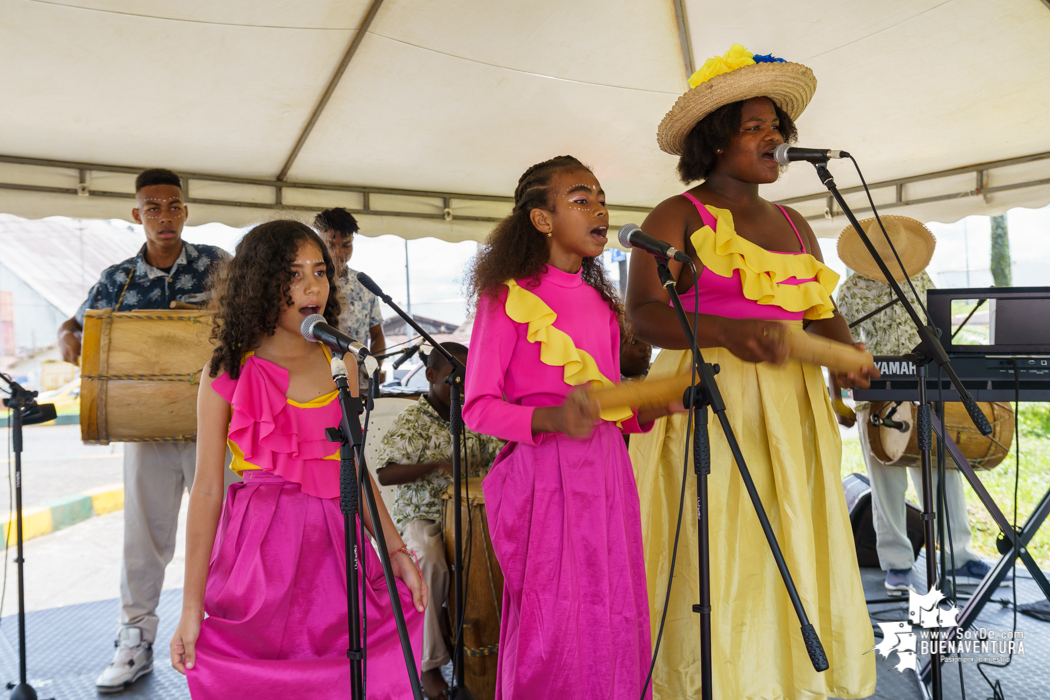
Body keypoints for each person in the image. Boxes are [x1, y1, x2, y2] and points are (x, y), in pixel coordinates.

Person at [625, 45, 877, 699]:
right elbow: (643, 318)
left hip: (792, 409)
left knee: (787, 535)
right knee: (721, 552)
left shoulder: (796, 225)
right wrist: (731, 332)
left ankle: (784, 679)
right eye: (753, 128)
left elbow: (820, 312)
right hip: (708, 398)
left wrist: (847, 357)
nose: (773, 138)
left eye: (776, 128)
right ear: (714, 143)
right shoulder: (677, 216)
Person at [169, 220, 425, 698]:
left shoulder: (342, 361)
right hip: (260, 554)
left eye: (319, 271)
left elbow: (354, 469)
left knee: (360, 662)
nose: (312, 286)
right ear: (262, 284)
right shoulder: (228, 369)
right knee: (263, 671)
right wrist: (189, 608)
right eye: (293, 274)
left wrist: (395, 551)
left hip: (337, 541)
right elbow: (206, 489)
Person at [463, 155, 683, 699]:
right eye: (581, 199)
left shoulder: (603, 305)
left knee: (612, 608)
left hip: (607, 470)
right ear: (541, 219)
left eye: (602, 199)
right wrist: (551, 417)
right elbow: (478, 407)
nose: (600, 209)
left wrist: (657, 405)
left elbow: (611, 403)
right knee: (555, 620)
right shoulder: (506, 297)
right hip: (542, 474)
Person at [56, 168, 230, 692]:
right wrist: (67, 336)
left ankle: (222, 638)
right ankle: (135, 642)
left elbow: (256, 321)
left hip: (214, 432)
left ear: (185, 211)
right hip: (147, 433)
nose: (164, 215)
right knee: (143, 543)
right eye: (152, 207)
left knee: (224, 537)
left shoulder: (219, 267)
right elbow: (78, 326)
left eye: (173, 205)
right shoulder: (118, 279)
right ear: (137, 215)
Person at [834, 215, 1003, 594]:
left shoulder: (919, 280)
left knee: (944, 472)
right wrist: (841, 393)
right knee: (886, 481)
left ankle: (958, 553)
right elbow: (839, 348)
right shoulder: (850, 291)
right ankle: (896, 562)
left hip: (925, 390)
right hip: (877, 399)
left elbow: (935, 327)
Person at [376, 341, 505, 700]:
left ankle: (499, 650)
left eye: (468, 378)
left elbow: (499, 455)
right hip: (423, 517)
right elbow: (385, 474)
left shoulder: (475, 413)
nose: (462, 387)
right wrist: (435, 465)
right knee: (429, 559)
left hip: (472, 517)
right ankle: (429, 665)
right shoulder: (412, 420)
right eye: (454, 379)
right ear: (431, 376)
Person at [314, 208, 386, 388]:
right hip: (318, 382)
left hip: (358, 385)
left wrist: (374, 369)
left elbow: (377, 335)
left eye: (346, 245)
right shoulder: (309, 283)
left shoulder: (364, 283)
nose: (338, 253)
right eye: (331, 245)